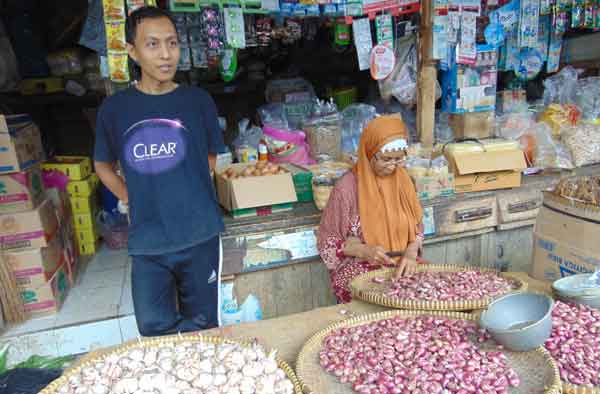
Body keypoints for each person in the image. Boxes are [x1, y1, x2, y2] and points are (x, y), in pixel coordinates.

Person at [94, 6, 225, 336]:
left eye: (172, 43)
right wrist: (131, 197)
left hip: (199, 234)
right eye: (152, 45)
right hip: (148, 240)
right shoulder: (115, 109)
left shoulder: (198, 101)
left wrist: (185, 190)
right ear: (132, 51)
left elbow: (211, 157)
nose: (166, 55)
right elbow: (102, 165)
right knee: (154, 329)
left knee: (204, 329)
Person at [317, 115, 425, 303]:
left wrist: (411, 253)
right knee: (381, 299)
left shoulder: (404, 181)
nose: (392, 166)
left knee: (427, 293)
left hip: (401, 262)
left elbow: (417, 228)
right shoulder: (347, 188)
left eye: (398, 160)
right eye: (386, 159)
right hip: (360, 266)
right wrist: (362, 250)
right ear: (369, 153)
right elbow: (327, 241)